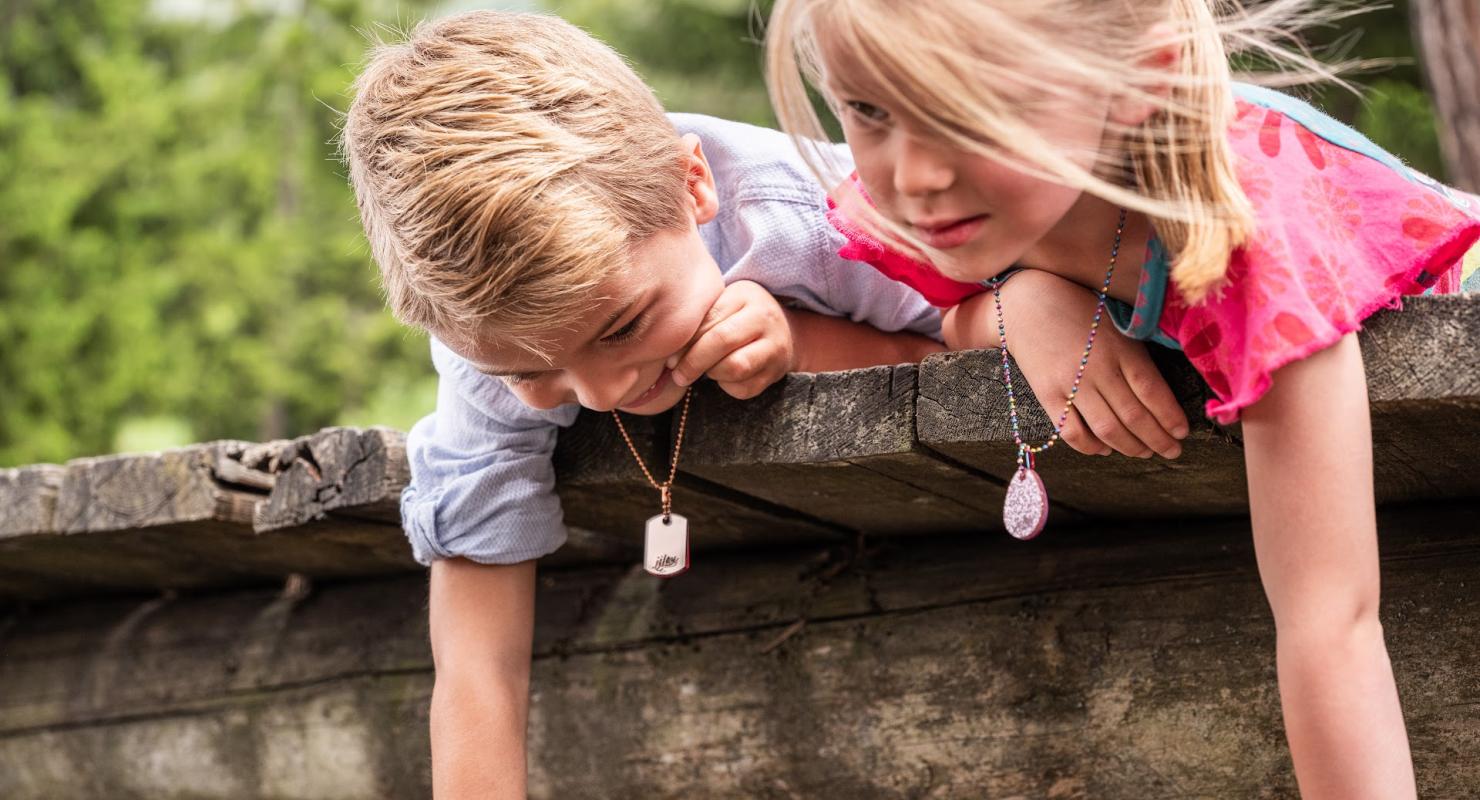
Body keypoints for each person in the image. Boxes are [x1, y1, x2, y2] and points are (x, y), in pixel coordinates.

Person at [340, 10, 1185, 796]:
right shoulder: (485, 337)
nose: (600, 394)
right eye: (532, 375)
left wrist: (991, 304)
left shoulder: (819, 213)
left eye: (624, 325)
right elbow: (477, 658)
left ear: (694, 186)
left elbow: (949, 336)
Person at [765, 0, 1480, 797]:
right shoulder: (967, 209)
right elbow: (946, 315)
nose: (915, 175)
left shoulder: (1245, 238)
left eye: (976, 110)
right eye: (868, 109)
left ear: (1145, 76)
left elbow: (1331, 621)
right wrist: (1016, 305)